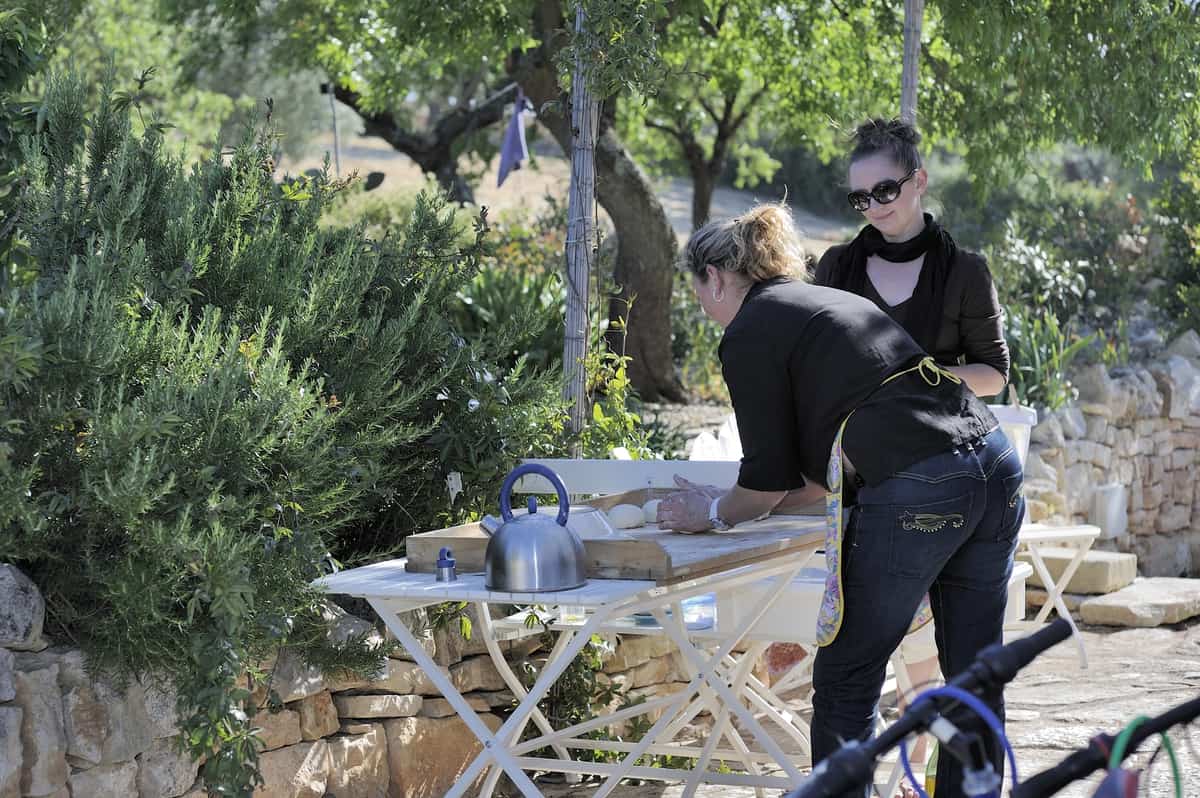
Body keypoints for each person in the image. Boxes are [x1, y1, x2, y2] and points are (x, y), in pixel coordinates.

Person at [656, 204, 1025, 798]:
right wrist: (730, 499)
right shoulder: (825, 305)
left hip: (921, 486)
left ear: (716, 278)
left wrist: (715, 512)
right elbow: (810, 482)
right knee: (974, 675)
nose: (702, 305)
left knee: (848, 676)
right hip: (995, 465)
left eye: (698, 290)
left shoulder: (750, 331)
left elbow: (768, 485)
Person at [814, 117, 1009, 399]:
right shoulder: (836, 265)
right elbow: (816, 359)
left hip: (934, 437)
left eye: (885, 191)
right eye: (861, 198)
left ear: (919, 181)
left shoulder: (966, 272)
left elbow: (994, 375)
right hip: (849, 436)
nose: (874, 207)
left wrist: (911, 381)